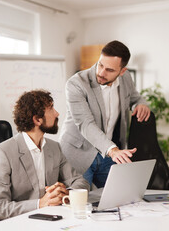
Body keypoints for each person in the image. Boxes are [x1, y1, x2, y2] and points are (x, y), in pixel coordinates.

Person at [59, 40, 150, 188]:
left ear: (122, 71)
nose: (101, 73)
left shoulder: (126, 79)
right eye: (100, 65)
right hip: (79, 153)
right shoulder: (76, 84)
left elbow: (134, 97)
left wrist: (141, 104)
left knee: (119, 197)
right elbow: (85, 124)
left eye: (110, 70)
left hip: (109, 153)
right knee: (81, 203)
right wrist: (112, 150)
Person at [0, 90, 89, 220]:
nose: (57, 113)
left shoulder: (54, 147)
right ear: (37, 119)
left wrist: (66, 193)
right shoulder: (1, 153)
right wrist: (40, 203)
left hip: (49, 219)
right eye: (51, 108)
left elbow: (80, 182)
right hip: (17, 223)